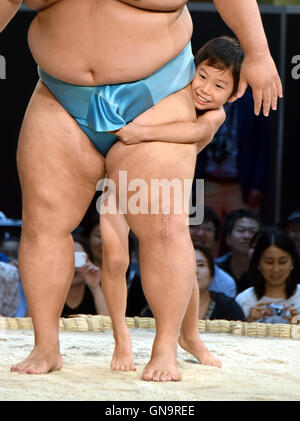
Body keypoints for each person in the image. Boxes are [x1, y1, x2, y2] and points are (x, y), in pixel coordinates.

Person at [4, 0, 282, 381]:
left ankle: (167, 345)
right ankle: (46, 344)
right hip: (59, 94)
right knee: (42, 223)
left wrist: (259, 51)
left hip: (157, 94)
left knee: (164, 227)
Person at [193, 87, 271, 222]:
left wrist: (257, 184)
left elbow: (263, 146)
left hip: (240, 184)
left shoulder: (253, 100)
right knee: (206, 228)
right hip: (208, 180)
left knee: (241, 229)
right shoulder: (205, 96)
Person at [142, 244, 244, 321]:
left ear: (212, 275)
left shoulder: (228, 307)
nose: (194, 270)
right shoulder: (160, 306)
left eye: (200, 265)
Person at [236, 226, 300, 324]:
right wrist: (248, 323)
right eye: (269, 262)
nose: (275, 269)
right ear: (258, 263)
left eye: (282, 262)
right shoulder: (243, 300)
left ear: (292, 263)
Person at [190, 206, 237, 297]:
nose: (200, 233)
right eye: (195, 226)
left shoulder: (225, 283)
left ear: (216, 236)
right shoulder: (164, 270)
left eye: (208, 229)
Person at [215, 209, 261, 294]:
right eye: (241, 230)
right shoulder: (215, 269)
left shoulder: (265, 270)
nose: (247, 236)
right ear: (228, 238)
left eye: (252, 231)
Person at [62, 236, 109, 317]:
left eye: (78, 259)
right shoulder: (48, 293)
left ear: (90, 261)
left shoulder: (100, 291)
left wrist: (95, 287)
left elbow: (108, 323)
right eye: (66, 259)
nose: (73, 266)